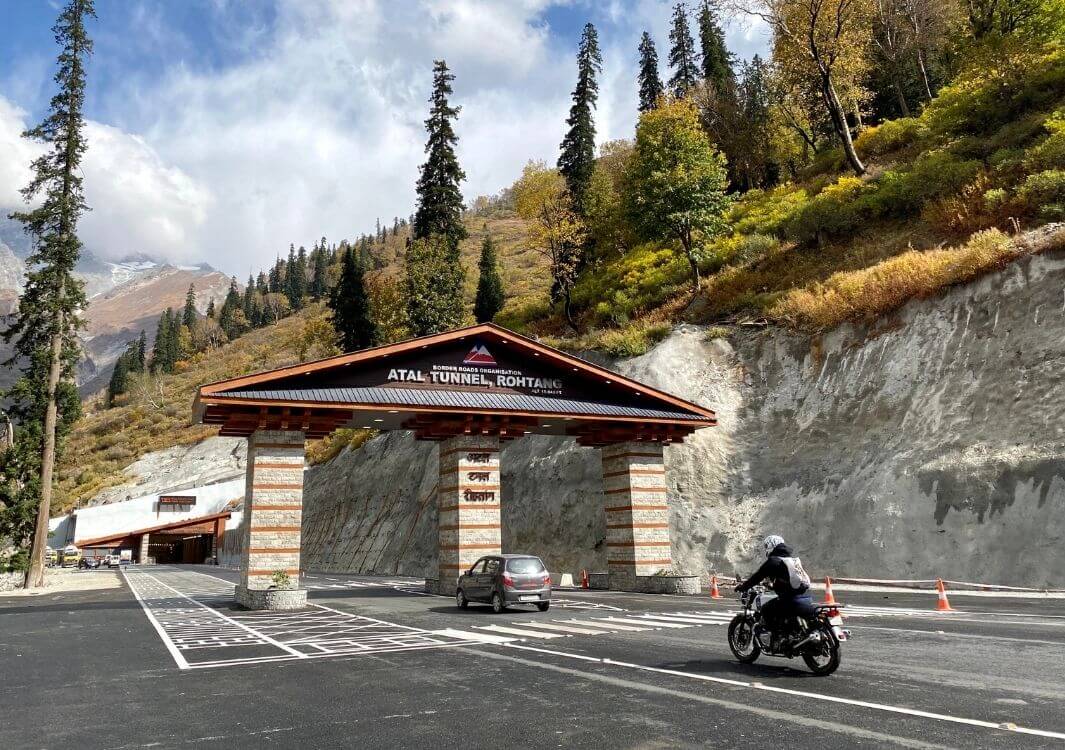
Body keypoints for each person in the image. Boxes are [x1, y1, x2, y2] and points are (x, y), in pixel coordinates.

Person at [736, 535, 816, 637]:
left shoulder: (774, 561)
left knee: (766, 609)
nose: (766, 549)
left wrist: (743, 587)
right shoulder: (792, 560)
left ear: (771, 545)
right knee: (781, 611)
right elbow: (790, 581)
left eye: (766, 546)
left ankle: (777, 637)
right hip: (807, 598)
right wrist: (773, 586)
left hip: (792, 600)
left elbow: (758, 576)